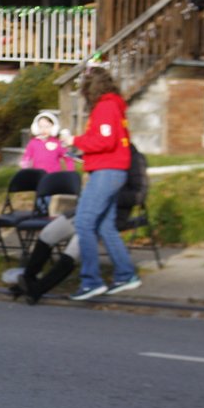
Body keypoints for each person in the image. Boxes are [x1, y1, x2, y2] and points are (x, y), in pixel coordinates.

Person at [10, 146, 148, 305]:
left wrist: (105, 195)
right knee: (48, 233)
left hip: (110, 214)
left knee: (74, 248)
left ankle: (39, 289)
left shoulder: (134, 158)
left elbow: (139, 194)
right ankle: (28, 279)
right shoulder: (102, 156)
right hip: (84, 209)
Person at [59, 65, 141, 300]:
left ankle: (91, 280)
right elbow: (110, 141)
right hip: (111, 169)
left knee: (84, 223)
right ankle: (126, 274)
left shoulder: (105, 107)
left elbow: (104, 140)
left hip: (107, 171)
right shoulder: (114, 105)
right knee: (105, 226)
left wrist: (74, 140)